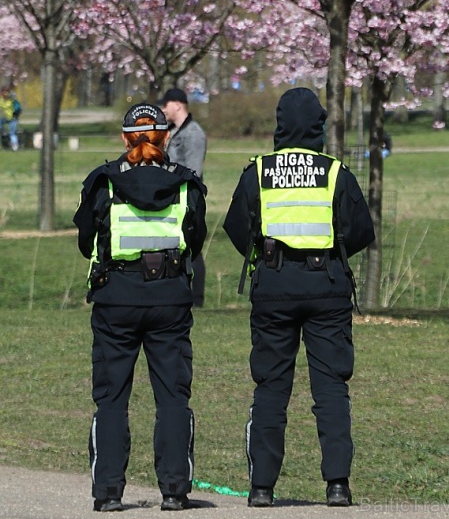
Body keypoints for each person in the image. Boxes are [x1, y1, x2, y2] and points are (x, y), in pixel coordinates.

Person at [223, 88, 375, 508]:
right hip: (326, 284)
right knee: (330, 388)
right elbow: (361, 230)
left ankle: (262, 488)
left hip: (273, 284)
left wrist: (264, 256)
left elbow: (236, 226)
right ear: (318, 126)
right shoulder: (334, 172)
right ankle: (338, 485)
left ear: (280, 123)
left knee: (271, 386)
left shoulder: (258, 171)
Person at [73, 103, 207, 513]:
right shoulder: (186, 183)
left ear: (124, 137)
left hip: (116, 298)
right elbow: (195, 241)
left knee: (111, 399)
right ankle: (174, 491)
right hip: (169, 300)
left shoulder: (104, 182)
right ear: (166, 137)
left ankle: (109, 493)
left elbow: (84, 242)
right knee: (172, 398)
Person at [159, 87, 207, 308]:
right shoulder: (172, 132)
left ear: (177, 104)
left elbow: (194, 172)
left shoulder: (194, 133)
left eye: (166, 104)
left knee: (192, 247)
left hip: (188, 198)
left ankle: (197, 299)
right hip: (173, 198)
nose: (163, 109)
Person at [0, 86, 20, 151]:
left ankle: (15, 146)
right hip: (8, 118)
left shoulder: (10, 100)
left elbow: (4, 105)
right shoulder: (7, 99)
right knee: (0, 122)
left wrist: (2, 97)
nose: (3, 93)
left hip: (12, 118)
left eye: (4, 92)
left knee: (12, 133)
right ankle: (3, 132)